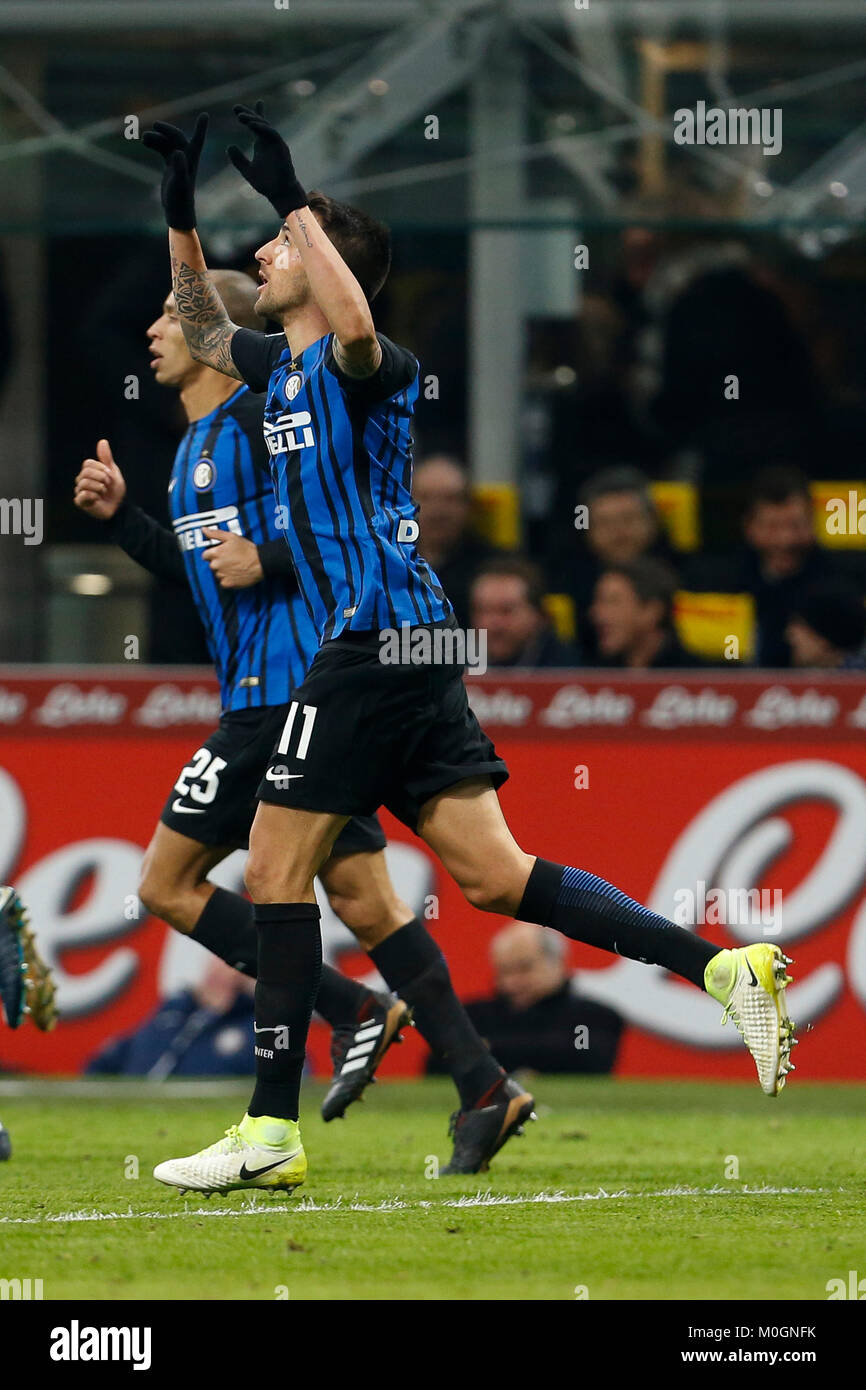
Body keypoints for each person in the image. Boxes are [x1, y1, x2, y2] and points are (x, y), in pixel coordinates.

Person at [146, 109, 796, 1198]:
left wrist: (292, 197)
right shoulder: (280, 370)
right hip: (411, 644)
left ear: (318, 264)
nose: (257, 257)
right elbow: (199, 326)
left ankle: (267, 1128)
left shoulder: (370, 364)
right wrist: (176, 203)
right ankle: (720, 966)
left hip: (367, 644)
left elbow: (348, 320)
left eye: (274, 249)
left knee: (270, 867)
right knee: (494, 877)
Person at [74, 270, 518, 1168]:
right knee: (365, 898)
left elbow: (329, 524)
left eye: (171, 315)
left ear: (215, 331)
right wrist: (128, 524)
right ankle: (481, 1083)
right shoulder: (196, 441)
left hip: (281, 697)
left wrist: (270, 556)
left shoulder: (256, 425)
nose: (155, 331)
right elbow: (210, 570)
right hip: (292, 695)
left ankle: (339, 1019)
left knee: (167, 882)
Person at [685, 466, 842, 667]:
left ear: (813, 524)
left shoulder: (840, 585)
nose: (784, 540)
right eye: (772, 527)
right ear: (749, 527)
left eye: (795, 525)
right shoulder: (715, 583)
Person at [428, 922, 623, 1076]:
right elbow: (439, 1064)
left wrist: (488, 1048)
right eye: (504, 971)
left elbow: (590, 1061)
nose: (511, 982)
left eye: (524, 968)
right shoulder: (471, 1015)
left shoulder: (595, 1017)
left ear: (557, 963)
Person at [549, 466, 675, 659]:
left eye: (628, 519)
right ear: (588, 531)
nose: (619, 532)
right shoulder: (567, 584)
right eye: (605, 522)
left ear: (652, 521)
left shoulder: (693, 577)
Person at [87, 958, 257, 1078]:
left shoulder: (252, 1028)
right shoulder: (173, 1013)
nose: (222, 969)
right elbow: (115, 1056)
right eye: (219, 958)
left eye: (236, 964)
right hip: (131, 1109)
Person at [412, 454, 497, 629]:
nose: (438, 511)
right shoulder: (385, 563)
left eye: (450, 499)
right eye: (425, 498)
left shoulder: (494, 568)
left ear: (469, 506)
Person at [589, 556, 704, 669]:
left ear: (652, 611)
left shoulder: (698, 675)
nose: (596, 613)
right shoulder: (592, 672)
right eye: (598, 601)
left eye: (612, 602)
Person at [469, 557, 580, 667]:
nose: (493, 624)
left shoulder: (570, 670)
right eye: (482, 611)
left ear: (539, 616)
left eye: (506, 611)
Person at [785, 581, 866, 669]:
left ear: (824, 637)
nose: (789, 636)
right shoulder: (815, 677)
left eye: (800, 625)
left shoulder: (858, 677)